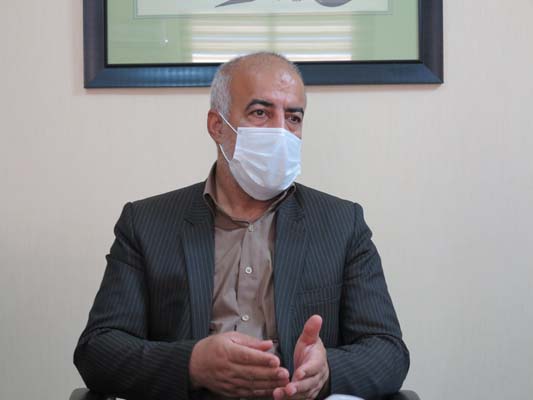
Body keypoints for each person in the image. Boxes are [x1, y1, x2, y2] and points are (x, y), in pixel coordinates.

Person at [74, 52, 409, 400]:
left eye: (293, 118)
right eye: (260, 113)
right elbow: (98, 350)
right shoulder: (146, 223)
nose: (281, 131)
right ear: (217, 126)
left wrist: (326, 372)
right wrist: (192, 363)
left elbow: (389, 352)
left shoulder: (341, 224)